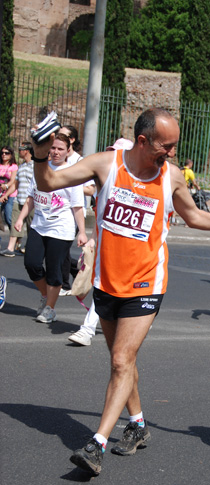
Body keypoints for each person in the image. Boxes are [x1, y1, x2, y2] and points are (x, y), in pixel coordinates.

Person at [31, 107, 210, 476]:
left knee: (121, 360)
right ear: (143, 141)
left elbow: (194, 216)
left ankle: (97, 445)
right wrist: (40, 151)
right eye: (166, 145)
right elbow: (47, 182)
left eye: (174, 146)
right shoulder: (107, 165)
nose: (172, 153)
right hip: (107, 281)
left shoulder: (170, 177)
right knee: (121, 361)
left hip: (147, 282)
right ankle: (138, 424)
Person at [67, 139, 134, 347]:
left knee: (127, 289)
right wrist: (92, 238)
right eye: (111, 151)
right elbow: (100, 215)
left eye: (117, 152)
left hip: (132, 249)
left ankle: (139, 315)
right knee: (102, 286)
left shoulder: (136, 185)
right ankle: (87, 329)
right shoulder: (104, 179)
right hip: (107, 246)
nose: (112, 155)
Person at [15, 133, 87, 323]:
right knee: (32, 264)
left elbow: (77, 206)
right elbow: (31, 196)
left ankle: (50, 308)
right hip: (39, 224)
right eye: (53, 148)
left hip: (61, 227)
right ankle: (47, 295)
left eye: (60, 149)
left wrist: (82, 231)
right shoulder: (41, 168)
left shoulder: (72, 173)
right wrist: (21, 219)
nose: (55, 152)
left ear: (67, 151)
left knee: (54, 270)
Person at [58, 125, 96, 295]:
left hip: (73, 212)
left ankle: (64, 284)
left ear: (71, 140)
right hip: (56, 211)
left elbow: (90, 190)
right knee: (55, 249)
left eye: (63, 136)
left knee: (62, 249)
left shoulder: (80, 161)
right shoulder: (56, 158)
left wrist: (69, 186)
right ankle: (75, 269)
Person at [0, 142, 34, 257]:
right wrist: (6, 195)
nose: (19, 151)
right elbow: (16, 184)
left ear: (27, 151)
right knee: (15, 223)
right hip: (18, 199)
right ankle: (10, 248)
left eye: (21, 149)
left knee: (31, 226)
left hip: (31, 201)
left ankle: (31, 248)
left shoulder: (35, 166)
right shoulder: (22, 166)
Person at [0, 146, 18, 230]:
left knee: (8, 218)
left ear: (11, 155)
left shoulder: (13, 166)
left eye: (7, 153)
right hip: (0, 193)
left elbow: (13, 180)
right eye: (2, 153)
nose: (4, 155)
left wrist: (6, 186)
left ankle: (15, 235)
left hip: (10, 194)